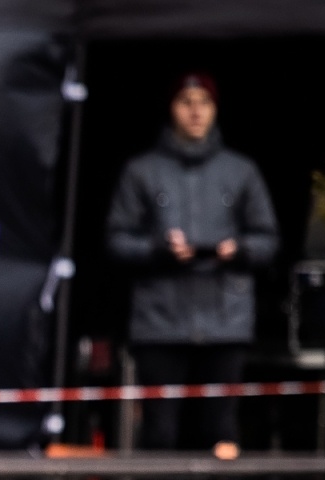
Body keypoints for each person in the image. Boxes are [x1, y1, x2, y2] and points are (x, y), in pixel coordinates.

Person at [107, 72, 278, 459]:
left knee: (220, 431)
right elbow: (117, 241)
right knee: (160, 431)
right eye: (187, 102)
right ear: (172, 109)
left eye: (205, 102)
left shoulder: (241, 171)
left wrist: (240, 249)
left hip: (224, 318)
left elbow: (268, 240)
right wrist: (158, 250)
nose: (196, 111)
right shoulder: (142, 171)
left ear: (216, 110)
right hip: (161, 319)